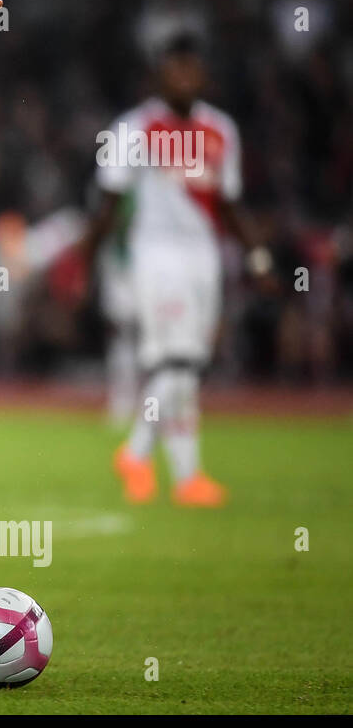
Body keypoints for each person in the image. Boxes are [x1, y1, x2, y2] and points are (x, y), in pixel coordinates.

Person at [78, 32, 275, 507]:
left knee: (187, 370)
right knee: (178, 362)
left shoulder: (221, 130)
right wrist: (85, 263)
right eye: (174, 69)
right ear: (159, 75)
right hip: (156, 255)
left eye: (191, 69)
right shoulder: (134, 128)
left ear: (203, 75)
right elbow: (107, 205)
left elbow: (228, 206)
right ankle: (136, 452)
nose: (183, 78)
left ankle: (188, 478)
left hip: (204, 258)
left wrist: (258, 257)